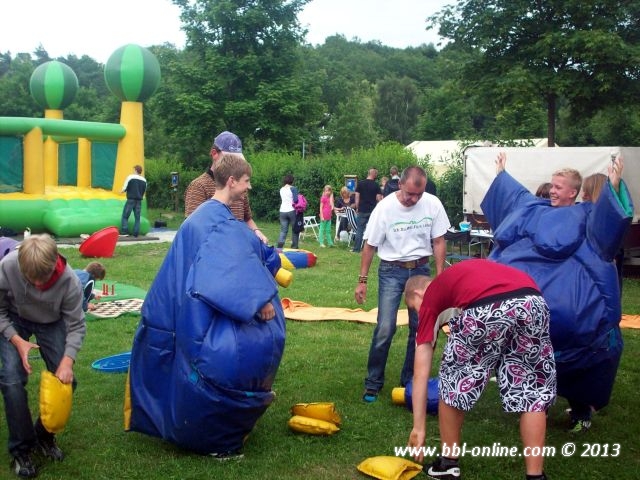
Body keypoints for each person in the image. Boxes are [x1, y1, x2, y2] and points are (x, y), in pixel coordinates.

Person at [127, 153, 286, 458]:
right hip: (201, 313)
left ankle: (196, 424)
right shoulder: (216, 223)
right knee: (231, 357)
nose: (249, 187)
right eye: (246, 181)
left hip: (188, 310)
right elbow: (229, 265)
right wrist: (261, 298)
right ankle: (215, 439)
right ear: (231, 181)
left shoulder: (201, 218)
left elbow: (236, 253)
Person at [481, 152, 633, 433]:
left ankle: (580, 412)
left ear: (573, 192)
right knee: (537, 357)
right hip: (537, 310)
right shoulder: (534, 209)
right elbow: (515, 198)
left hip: (572, 313)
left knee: (579, 362)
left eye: (558, 187)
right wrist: (501, 174)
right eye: (552, 185)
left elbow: (608, 223)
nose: (552, 190)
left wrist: (613, 183)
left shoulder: (588, 218)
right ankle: (540, 408)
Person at [404, 260, 556, 480]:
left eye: (414, 308)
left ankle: (448, 464)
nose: (418, 314)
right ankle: (535, 476)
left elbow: (421, 373)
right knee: (531, 392)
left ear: (418, 294)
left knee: (453, 383)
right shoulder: (461, 279)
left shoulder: (430, 298)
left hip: (486, 307)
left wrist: (419, 428)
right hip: (534, 302)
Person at [355, 166, 450, 402]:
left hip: (421, 269)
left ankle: (409, 381)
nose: (414, 199)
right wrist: (362, 281)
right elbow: (369, 246)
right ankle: (373, 383)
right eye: (410, 194)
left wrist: (440, 278)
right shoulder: (385, 208)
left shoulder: (433, 204)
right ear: (400, 185)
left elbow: (439, 241)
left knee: (420, 328)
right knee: (385, 327)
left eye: (419, 194)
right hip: (391, 270)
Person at [0, 234, 86, 478]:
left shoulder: (70, 281)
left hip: (51, 321)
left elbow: (76, 326)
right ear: (21, 266)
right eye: (31, 279)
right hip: (14, 319)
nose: (38, 284)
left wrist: (67, 362)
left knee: (67, 381)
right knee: (11, 379)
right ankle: (21, 450)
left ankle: (43, 436)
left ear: (53, 265)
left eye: (44, 279)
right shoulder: (8, 265)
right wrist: (16, 340)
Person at [183, 131, 267, 243]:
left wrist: (256, 232)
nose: (235, 163)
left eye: (237, 159)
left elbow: (247, 218)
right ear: (214, 154)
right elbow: (193, 229)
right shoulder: (198, 186)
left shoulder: (240, 186)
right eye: (229, 158)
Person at [582, 173, 625, 291]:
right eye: (583, 191)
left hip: (603, 283)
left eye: (587, 191)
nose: (583, 195)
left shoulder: (606, 221)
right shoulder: (588, 215)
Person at [352, 168, 380, 253]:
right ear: (374, 174)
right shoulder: (376, 185)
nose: (376, 176)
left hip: (362, 209)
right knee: (373, 230)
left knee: (360, 230)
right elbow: (378, 198)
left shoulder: (360, 183)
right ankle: (374, 249)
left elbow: (357, 196)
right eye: (376, 174)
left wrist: (357, 207)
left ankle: (357, 249)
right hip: (372, 211)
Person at [120, 165, 147, 237]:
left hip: (131, 199)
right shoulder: (144, 180)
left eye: (134, 170)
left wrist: (121, 191)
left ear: (135, 170)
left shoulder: (130, 177)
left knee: (125, 216)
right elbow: (144, 190)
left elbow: (125, 188)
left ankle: (124, 232)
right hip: (139, 201)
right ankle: (136, 233)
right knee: (137, 218)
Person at [277, 174, 300, 249]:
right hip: (291, 210)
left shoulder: (281, 189)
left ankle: (279, 247)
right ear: (292, 181)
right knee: (295, 230)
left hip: (282, 211)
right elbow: (296, 200)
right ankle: (294, 247)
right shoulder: (293, 188)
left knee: (283, 231)